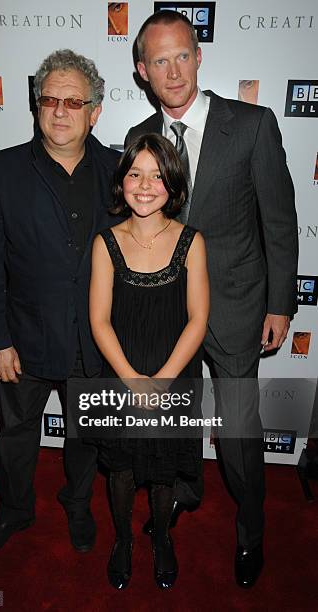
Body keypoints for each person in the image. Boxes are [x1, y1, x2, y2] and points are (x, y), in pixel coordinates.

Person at [125, 10, 298, 588]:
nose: (172, 71)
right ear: (142, 70)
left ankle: (252, 529)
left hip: (236, 305)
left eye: (182, 55)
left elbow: (279, 221)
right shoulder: (137, 139)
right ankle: (183, 494)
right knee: (173, 420)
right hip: (165, 312)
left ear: (199, 56)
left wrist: (281, 303)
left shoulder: (252, 124)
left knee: (239, 431)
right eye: (159, 61)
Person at [0, 49, 120, 560]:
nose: (59, 110)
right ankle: (14, 509)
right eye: (50, 98)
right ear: (36, 105)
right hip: (22, 342)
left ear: (94, 111)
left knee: (86, 439)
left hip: (94, 341)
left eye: (73, 101)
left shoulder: (121, 174)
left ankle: (77, 503)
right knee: (15, 439)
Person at [89, 133, 209, 589]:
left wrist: (161, 381)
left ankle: (161, 537)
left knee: (163, 471)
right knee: (120, 469)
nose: (145, 184)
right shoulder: (106, 242)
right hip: (120, 375)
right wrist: (132, 381)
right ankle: (123, 539)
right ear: (121, 183)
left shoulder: (191, 241)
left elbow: (198, 319)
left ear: (173, 184)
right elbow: (99, 321)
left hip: (173, 375)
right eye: (135, 173)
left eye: (157, 175)